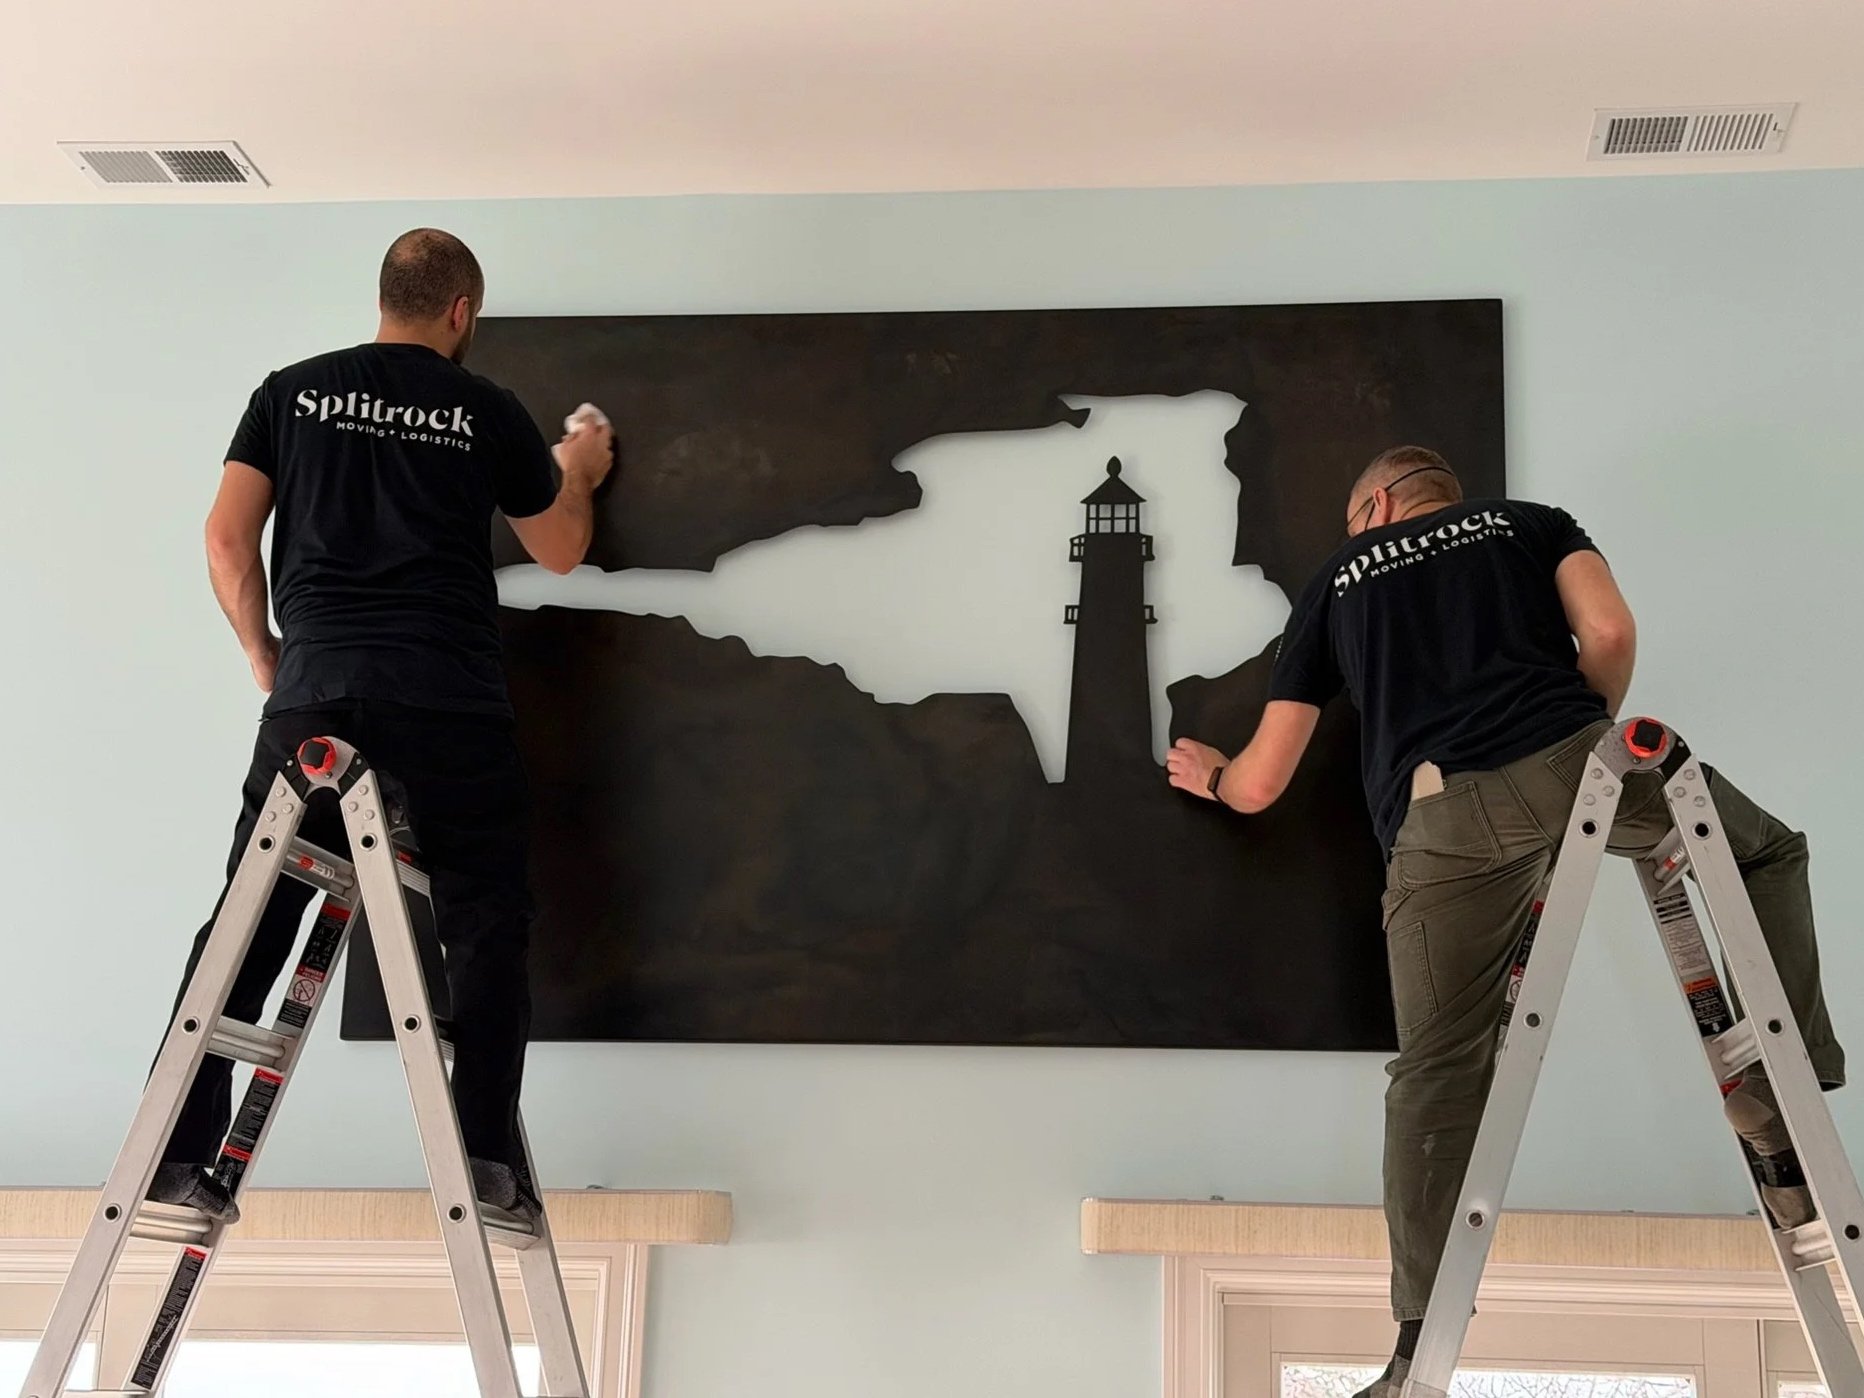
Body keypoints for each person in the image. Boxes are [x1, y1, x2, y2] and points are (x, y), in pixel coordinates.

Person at [1165, 446, 1845, 1398]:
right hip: (1584, 762)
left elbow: (1266, 780)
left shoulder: (1337, 580)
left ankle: (1414, 1349)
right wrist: (1580, 746)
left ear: (1375, 508)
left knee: (1437, 1074)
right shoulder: (1530, 521)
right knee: (1766, 851)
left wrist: (1213, 778)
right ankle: (1789, 1086)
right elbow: (1607, 629)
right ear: (1444, 495)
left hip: (1443, 820)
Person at [148, 228, 614, 1228]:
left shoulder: (293, 390)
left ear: (384, 299)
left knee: (255, 916)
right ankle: (484, 1160)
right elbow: (563, 550)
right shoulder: (484, 408)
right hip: (447, 699)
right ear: (462, 313)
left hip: (319, 693)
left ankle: (175, 1152)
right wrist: (573, 465)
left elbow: (227, 541)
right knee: (485, 924)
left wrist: (266, 656)